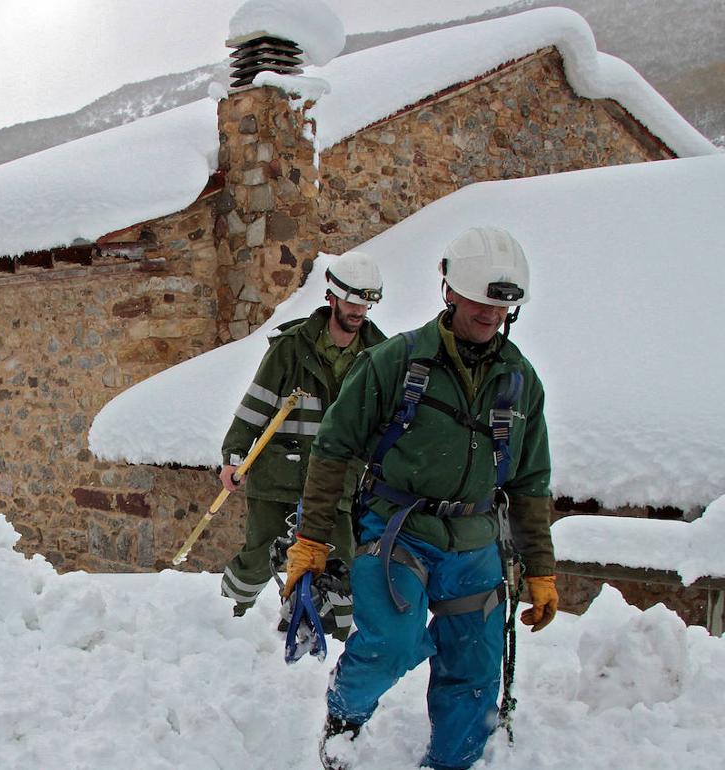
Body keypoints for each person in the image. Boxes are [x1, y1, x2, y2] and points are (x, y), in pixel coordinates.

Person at [283, 226, 558, 770]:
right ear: (450, 291)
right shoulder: (395, 362)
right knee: (393, 643)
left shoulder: (520, 380)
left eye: (501, 305)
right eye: (478, 299)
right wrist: (311, 541)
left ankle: (451, 764)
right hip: (398, 530)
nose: (489, 314)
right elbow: (334, 448)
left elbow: (530, 481)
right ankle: (344, 717)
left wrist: (541, 569)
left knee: (475, 673)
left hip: (476, 544)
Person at [219, 251, 386, 619]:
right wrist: (234, 456)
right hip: (280, 471)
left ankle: (338, 634)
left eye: (366, 303)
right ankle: (227, 615)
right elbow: (255, 407)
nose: (358, 311)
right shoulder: (292, 347)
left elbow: (383, 423)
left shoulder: (378, 355)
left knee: (340, 559)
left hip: (336, 481)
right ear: (332, 297)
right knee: (260, 553)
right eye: (352, 301)